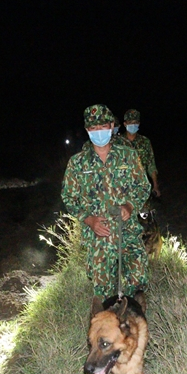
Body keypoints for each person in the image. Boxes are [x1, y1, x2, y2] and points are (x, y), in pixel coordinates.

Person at [62, 104, 151, 300]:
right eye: (93, 128)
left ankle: (131, 324)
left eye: (103, 126)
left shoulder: (128, 156)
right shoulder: (78, 163)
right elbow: (69, 197)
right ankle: (106, 326)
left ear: (112, 126)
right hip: (99, 236)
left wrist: (130, 205)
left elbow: (143, 186)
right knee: (103, 293)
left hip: (127, 230)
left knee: (137, 283)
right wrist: (88, 219)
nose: (99, 132)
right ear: (87, 130)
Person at [123, 109, 160, 198]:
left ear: (139, 124)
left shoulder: (145, 142)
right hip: (123, 188)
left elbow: (151, 164)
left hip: (142, 187)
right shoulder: (117, 142)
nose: (133, 125)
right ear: (125, 124)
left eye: (135, 122)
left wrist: (155, 185)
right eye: (130, 122)